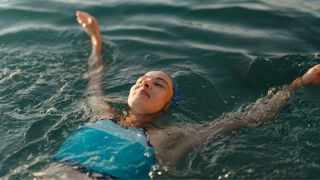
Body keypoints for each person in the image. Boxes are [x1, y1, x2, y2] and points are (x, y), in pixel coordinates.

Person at [34, 11, 320, 179]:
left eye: (158, 84)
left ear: (168, 104)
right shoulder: (101, 113)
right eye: (142, 80)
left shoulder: (168, 137)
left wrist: (298, 84)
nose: (146, 84)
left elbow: (245, 118)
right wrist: (96, 38)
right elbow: (94, 78)